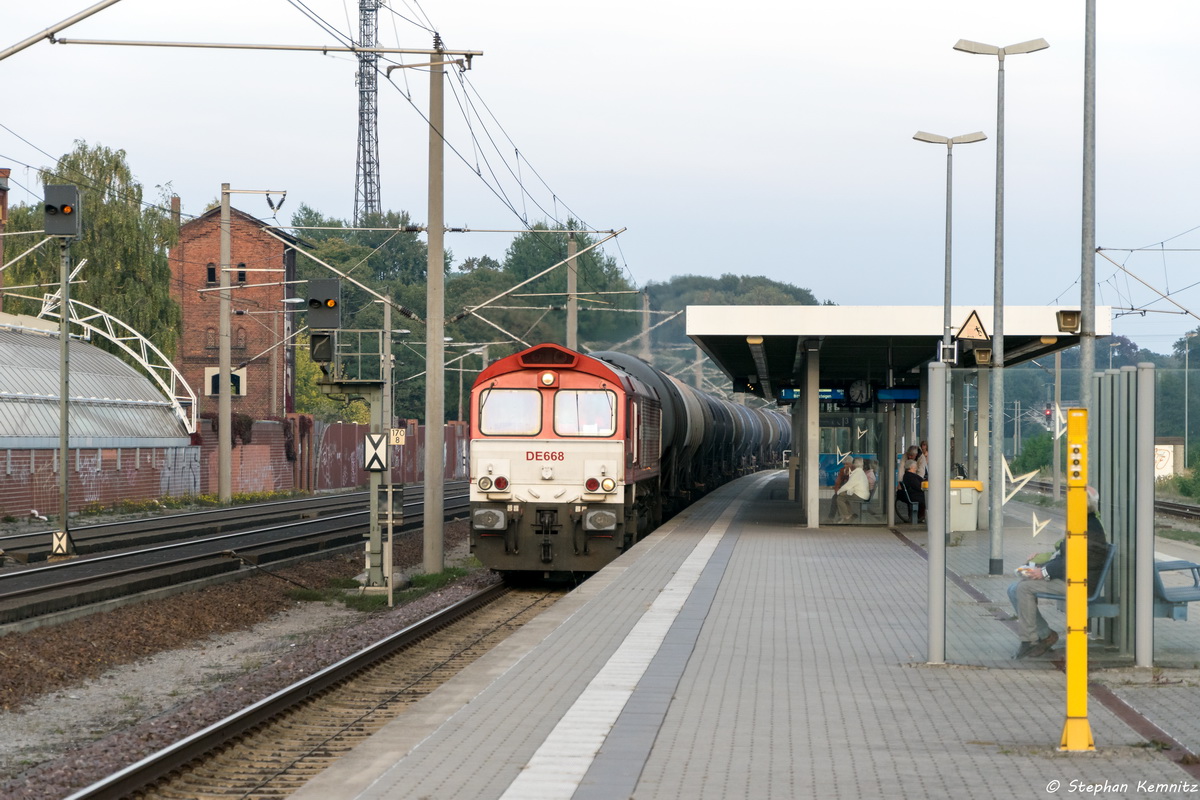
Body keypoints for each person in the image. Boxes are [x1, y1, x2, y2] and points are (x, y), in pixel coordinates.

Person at [1008, 486, 1109, 659]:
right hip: (1072, 578)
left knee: (1023, 589)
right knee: (1016, 588)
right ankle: (1043, 634)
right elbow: (1064, 555)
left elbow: (1074, 560)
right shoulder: (1084, 523)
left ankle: (1031, 640)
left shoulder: (1088, 528)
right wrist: (1039, 567)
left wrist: (1044, 572)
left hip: (1079, 583)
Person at [834, 458, 870, 522]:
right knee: (843, 497)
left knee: (840, 498)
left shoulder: (857, 473)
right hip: (862, 494)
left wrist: (839, 491)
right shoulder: (860, 472)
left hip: (860, 495)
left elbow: (848, 485)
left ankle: (847, 516)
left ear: (854, 464)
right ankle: (850, 514)